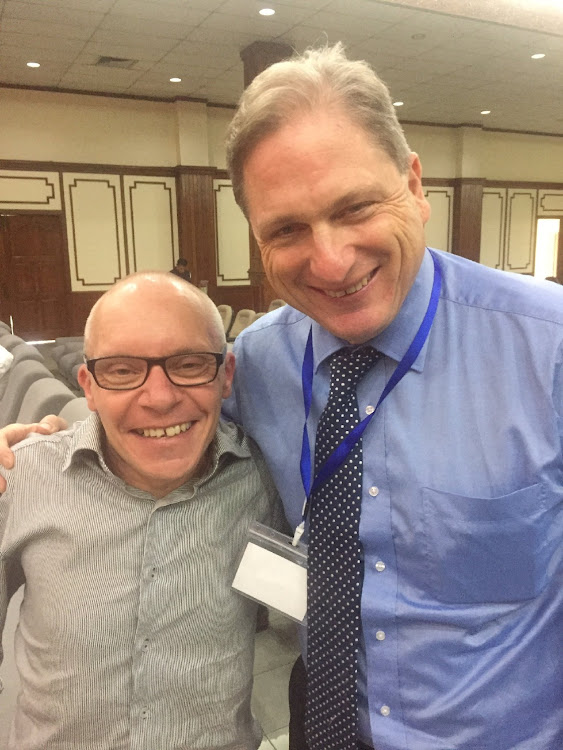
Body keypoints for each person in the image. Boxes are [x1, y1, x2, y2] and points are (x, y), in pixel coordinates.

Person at [2, 44, 562, 750]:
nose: (329, 261)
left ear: (414, 186)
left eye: (355, 206)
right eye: (288, 229)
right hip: (317, 727)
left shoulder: (548, 352)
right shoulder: (258, 359)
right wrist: (43, 440)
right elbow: (153, 411)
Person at [0, 272, 282, 750]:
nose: (160, 397)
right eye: (123, 370)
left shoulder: (265, 477)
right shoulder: (22, 480)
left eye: (190, 364)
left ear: (226, 375)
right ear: (88, 386)